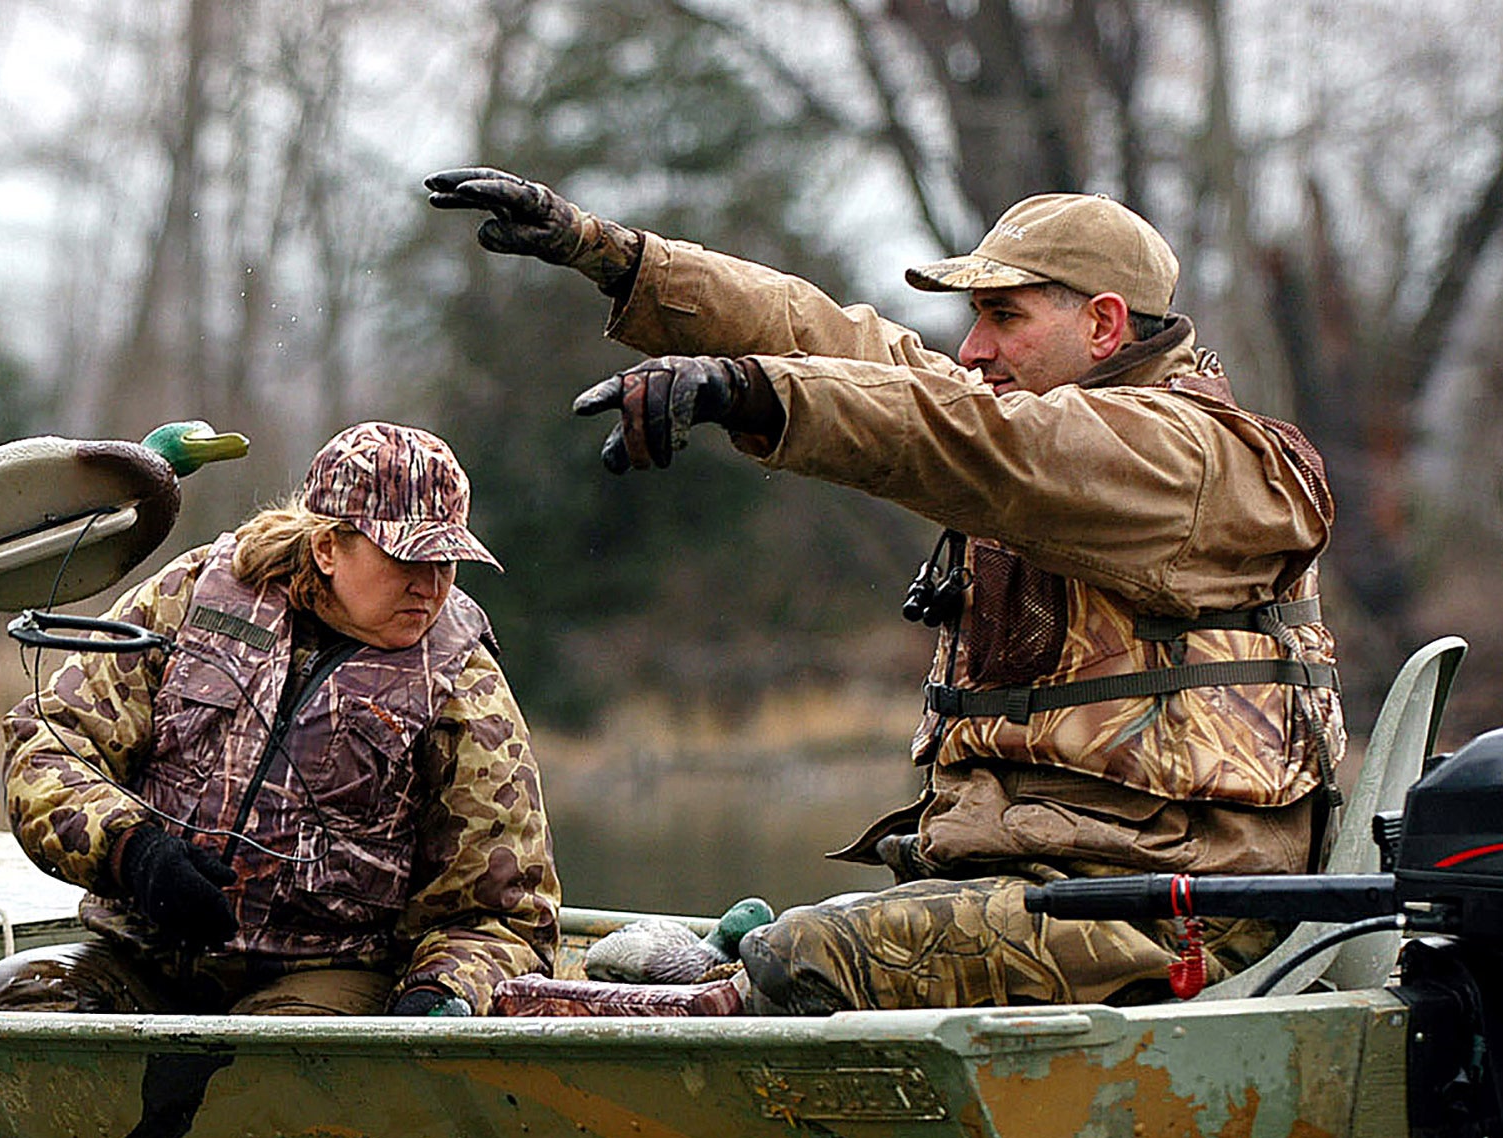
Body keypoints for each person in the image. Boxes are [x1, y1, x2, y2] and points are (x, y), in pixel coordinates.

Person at [426, 168, 1345, 1013]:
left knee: (802, 956)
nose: (973, 347)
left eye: (1003, 316)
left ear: (1104, 326)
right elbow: (844, 344)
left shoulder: (1187, 458)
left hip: (1169, 913)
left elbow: (973, 440)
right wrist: (616, 256)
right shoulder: (1035, 410)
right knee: (775, 947)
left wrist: (749, 394)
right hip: (1045, 887)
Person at [0, 420, 560, 1017]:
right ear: (327, 548)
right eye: (406, 559)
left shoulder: (462, 683)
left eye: (448, 560)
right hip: (142, 954)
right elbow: (51, 743)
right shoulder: (192, 596)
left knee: (270, 1058)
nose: (431, 585)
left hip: (328, 975)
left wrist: (440, 995)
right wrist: (135, 853)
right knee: (9, 998)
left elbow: (502, 915)